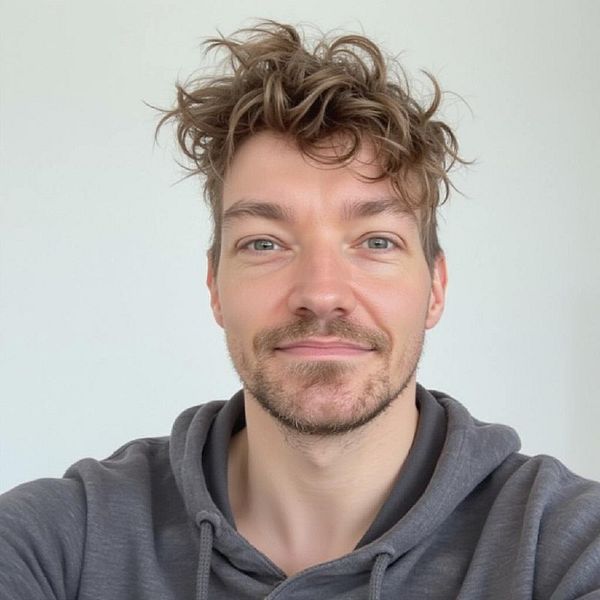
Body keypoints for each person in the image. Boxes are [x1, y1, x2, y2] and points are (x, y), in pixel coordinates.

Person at [1, 20, 599, 600]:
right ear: (214, 286)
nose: (322, 291)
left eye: (376, 241)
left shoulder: (564, 549)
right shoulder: (55, 543)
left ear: (435, 288)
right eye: (265, 243)